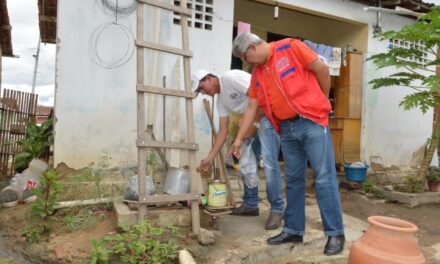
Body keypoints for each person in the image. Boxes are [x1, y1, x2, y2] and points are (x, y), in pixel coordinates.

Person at [229, 32, 345, 256]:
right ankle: (293, 229)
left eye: (245, 57)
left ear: (252, 48)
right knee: (292, 179)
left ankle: (335, 233)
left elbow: (322, 70)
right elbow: (253, 107)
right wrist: (239, 138)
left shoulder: (291, 47)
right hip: (287, 129)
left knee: (323, 177)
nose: (247, 62)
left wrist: (320, 106)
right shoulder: (257, 74)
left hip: (311, 122)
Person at [192, 69, 284, 230]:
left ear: (208, 78)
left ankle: (277, 209)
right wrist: (209, 158)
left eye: (201, 88)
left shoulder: (230, 78)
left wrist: (251, 127)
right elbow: (223, 131)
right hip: (253, 121)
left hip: (268, 115)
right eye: (199, 91)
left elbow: (262, 97)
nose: (202, 92)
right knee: (247, 162)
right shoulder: (221, 101)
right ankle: (250, 204)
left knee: (269, 164)